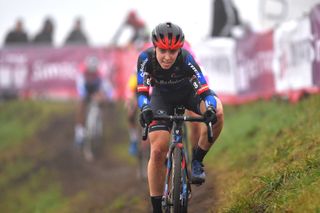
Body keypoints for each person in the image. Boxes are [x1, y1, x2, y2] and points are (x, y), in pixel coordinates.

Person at [136, 22, 224, 212]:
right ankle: (156, 207)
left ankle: (197, 160)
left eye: (173, 52)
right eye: (163, 51)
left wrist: (209, 108)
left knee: (217, 111)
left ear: (179, 50)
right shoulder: (145, 58)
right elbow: (142, 93)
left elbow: (205, 91)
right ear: (155, 47)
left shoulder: (186, 59)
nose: (167, 57)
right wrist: (144, 109)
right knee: (158, 149)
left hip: (188, 94)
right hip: (161, 98)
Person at [74, 56, 113, 147]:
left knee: (102, 100)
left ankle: (101, 126)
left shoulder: (100, 75)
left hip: (96, 91)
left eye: (94, 71)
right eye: (90, 71)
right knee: (81, 104)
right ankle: (79, 133)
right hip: (86, 92)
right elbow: (80, 89)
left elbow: (108, 88)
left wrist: (109, 98)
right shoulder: (82, 74)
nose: (92, 73)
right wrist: (86, 96)